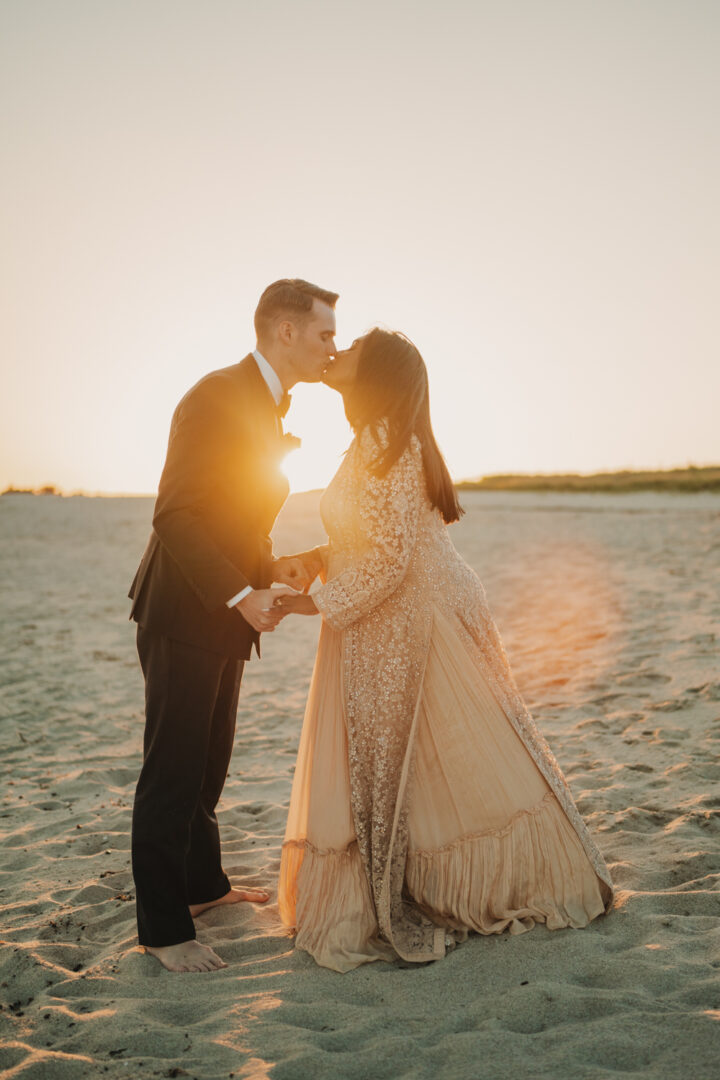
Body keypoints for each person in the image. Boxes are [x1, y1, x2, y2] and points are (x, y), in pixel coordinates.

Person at [276, 327, 615, 973]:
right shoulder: (373, 437)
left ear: (376, 373)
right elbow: (372, 532)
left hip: (420, 612)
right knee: (419, 761)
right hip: (393, 612)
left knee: (444, 753)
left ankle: (498, 880)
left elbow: (393, 557)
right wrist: (316, 559)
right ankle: (422, 877)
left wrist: (314, 603)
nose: (338, 350)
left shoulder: (391, 440)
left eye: (353, 347)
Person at [128, 278, 338, 973]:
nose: (331, 347)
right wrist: (239, 593)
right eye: (324, 334)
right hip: (183, 610)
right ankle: (164, 930)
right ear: (285, 331)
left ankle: (201, 887)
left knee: (209, 761)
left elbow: (232, 514)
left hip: (222, 609)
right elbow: (176, 514)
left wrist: (270, 568)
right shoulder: (216, 395)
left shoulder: (265, 403)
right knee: (173, 768)